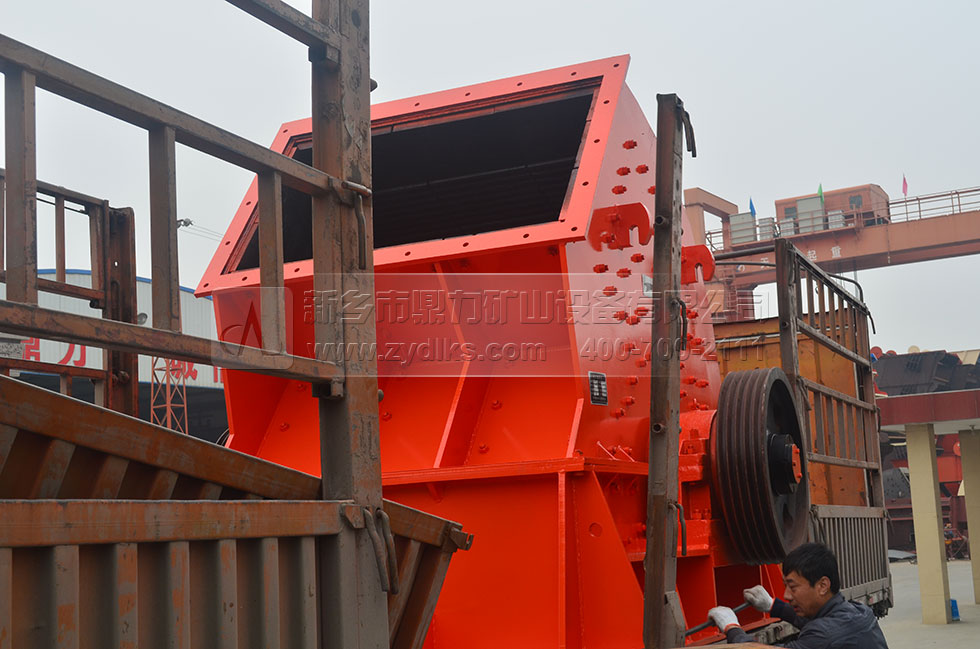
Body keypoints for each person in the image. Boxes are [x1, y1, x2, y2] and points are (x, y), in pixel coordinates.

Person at [707, 542, 889, 648]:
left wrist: (731, 627)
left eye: (793, 587)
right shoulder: (858, 611)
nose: (786, 595)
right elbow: (814, 622)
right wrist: (772, 605)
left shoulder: (823, 636)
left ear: (823, 585)